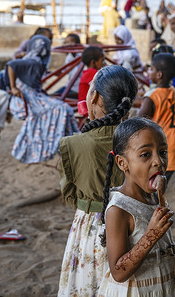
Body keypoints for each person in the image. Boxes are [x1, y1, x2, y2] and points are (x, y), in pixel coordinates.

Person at [57, 65, 138, 296]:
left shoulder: (71, 145)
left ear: (93, 97)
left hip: (92, 232)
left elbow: (71, 196)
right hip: (133, 227)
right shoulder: (139, 142)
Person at [97, 117, 175, 296]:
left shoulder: (154, 197)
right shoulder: (118, 210)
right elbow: (118, 272)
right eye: (145, 154)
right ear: (122, 163)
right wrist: (151, 235)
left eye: (162, 152)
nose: (158, 161)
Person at [5, 35, 79, 164]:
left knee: (63, 107)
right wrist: (13, 87)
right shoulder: (34, 60)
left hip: (32, 96)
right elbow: (11, 65)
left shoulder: (36, 61)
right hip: (28, 98)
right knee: (61, 108)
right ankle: (63, 145)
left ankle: (71, 144)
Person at [138, 53, 175, 182]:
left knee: (152, 185)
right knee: (162, 182)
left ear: (159, 75)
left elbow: (139, 120)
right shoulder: (172, 89)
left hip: (162, 145)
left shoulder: (151, 96)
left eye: (151, 69)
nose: (149, 72)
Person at [78, 46, 105, 116]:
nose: (103, 63)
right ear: (93, 62)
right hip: (89, 110)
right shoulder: (92, 72)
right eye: (102, 61)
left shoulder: (87, 72)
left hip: (85, 108)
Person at [54, 33, 82, 98]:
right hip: (69, 86)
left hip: (76, 88)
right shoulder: (69, 56)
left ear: (77, 43)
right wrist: (51, 73)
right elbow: (64, 71)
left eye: (71, 42)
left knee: (58, 98)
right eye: (66, 42)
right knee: (53, 95)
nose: (68, 44)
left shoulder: (80, 55)